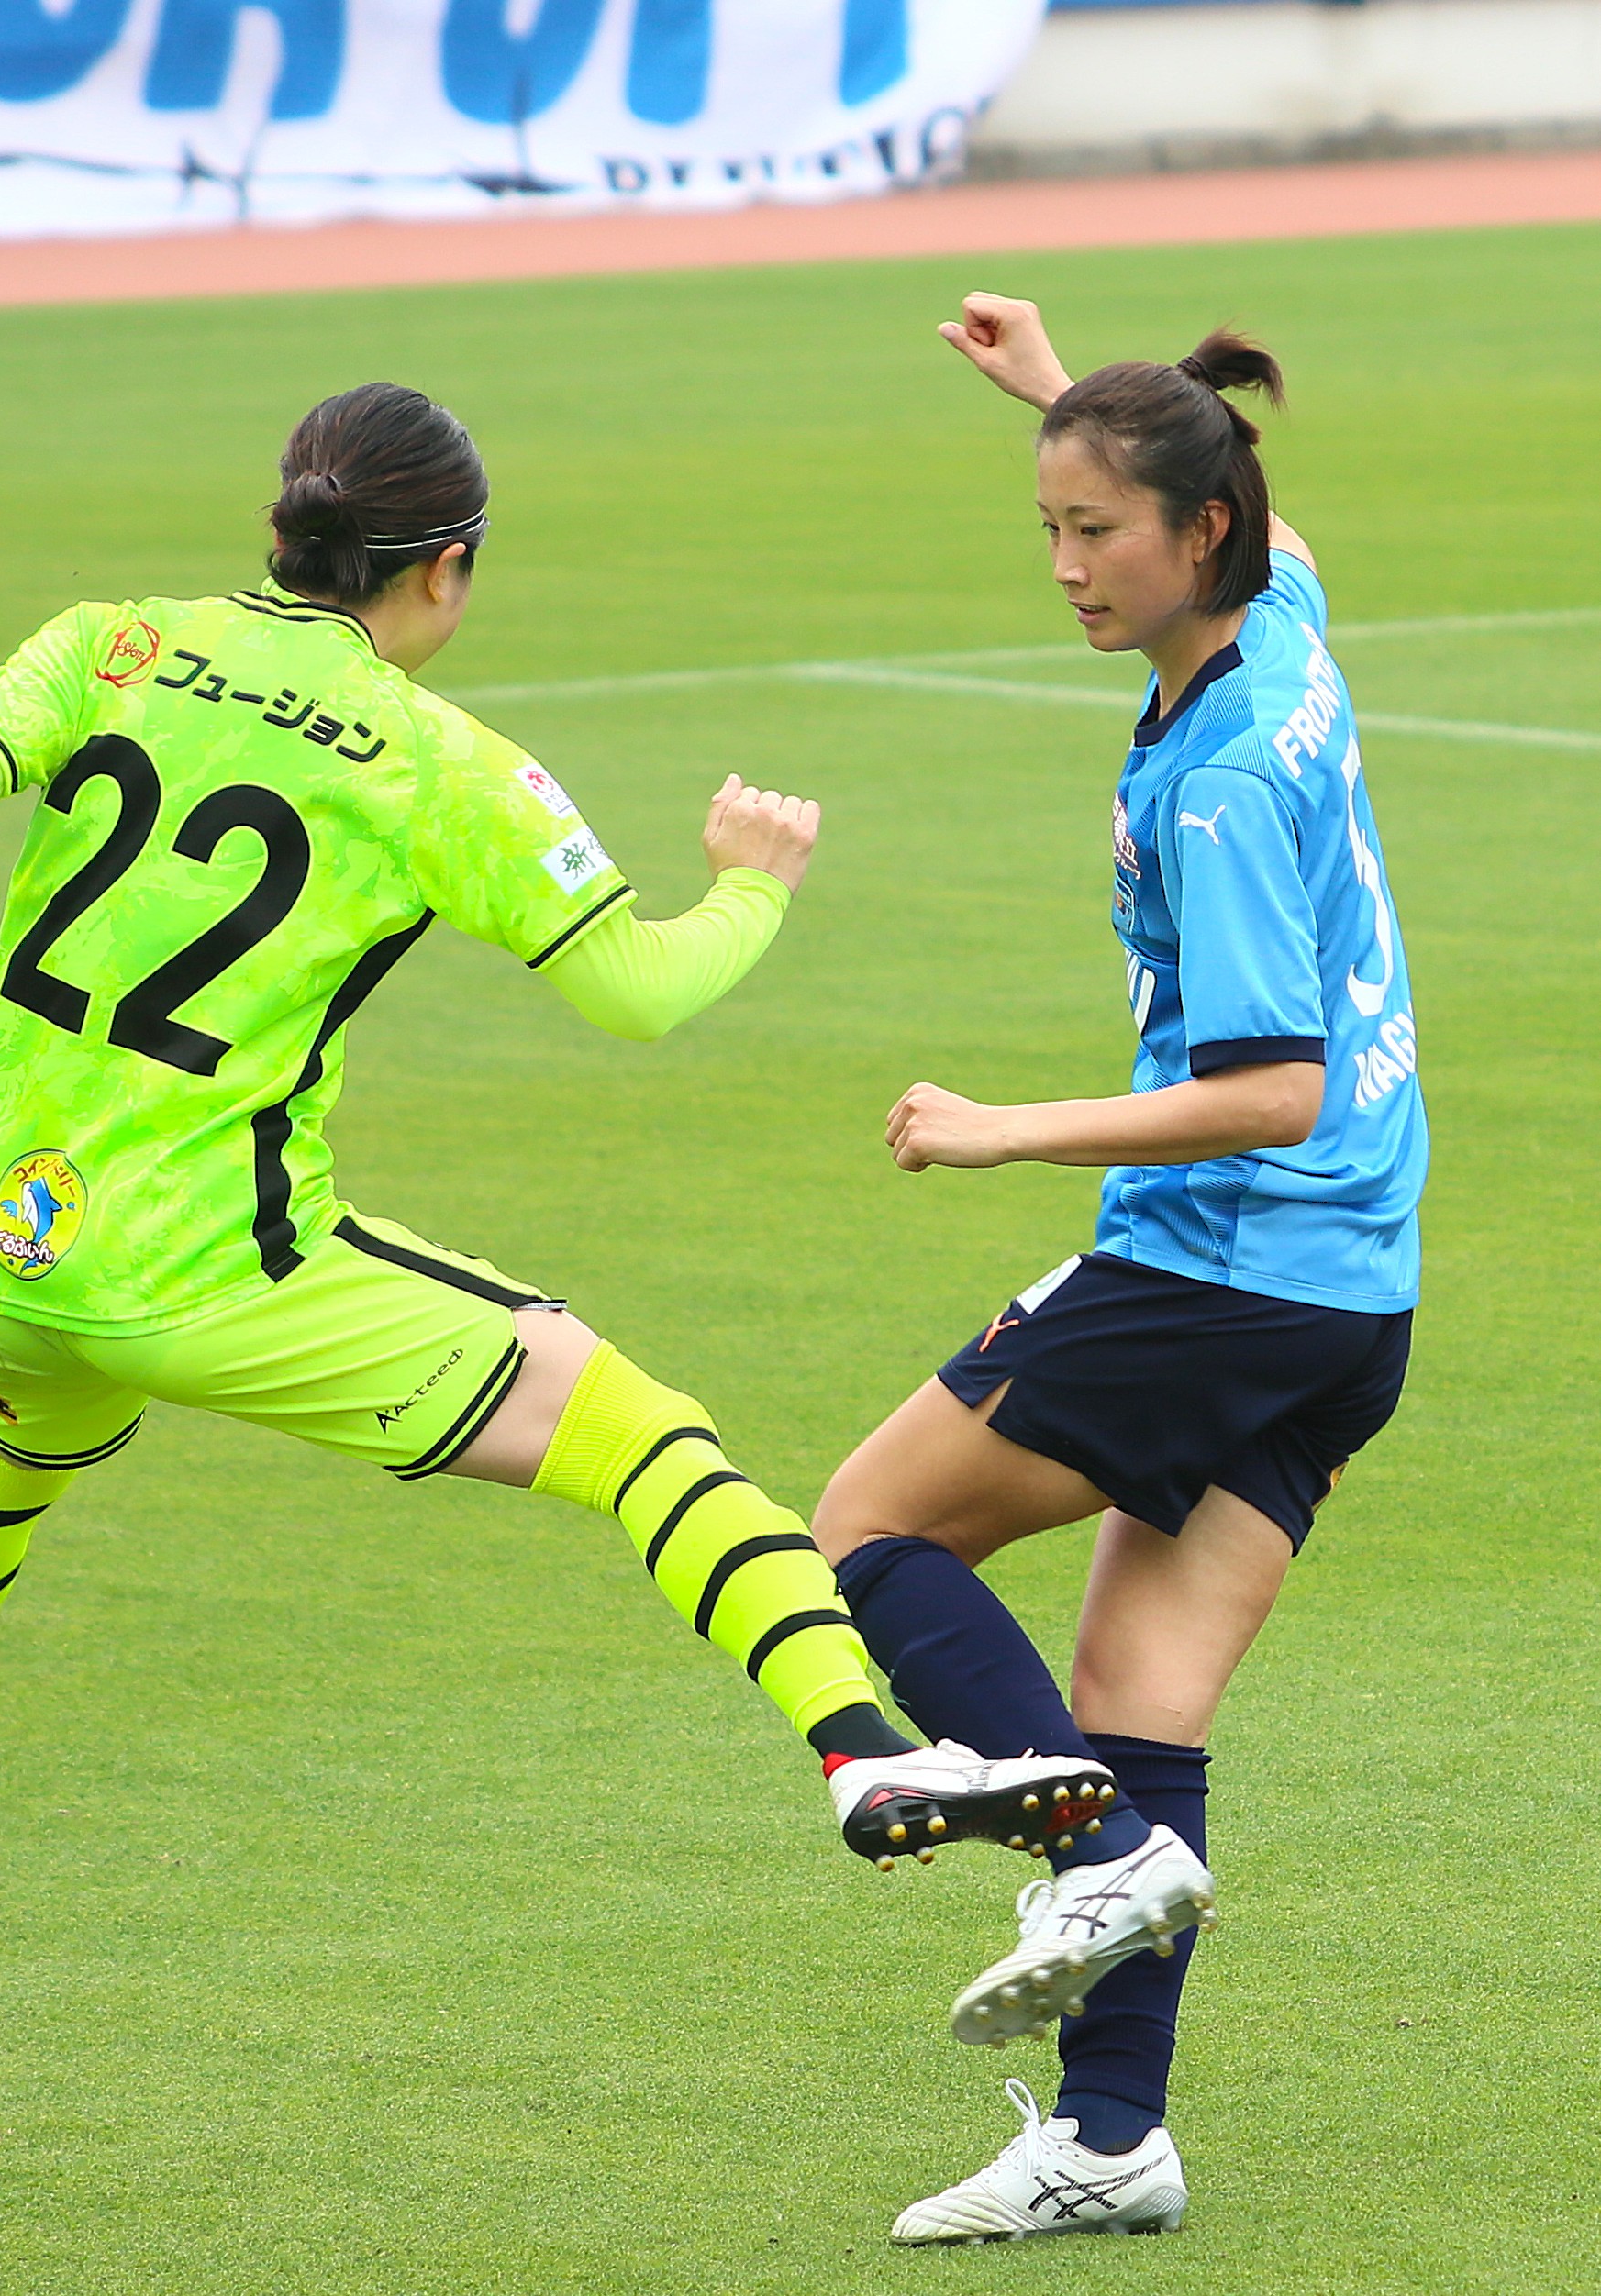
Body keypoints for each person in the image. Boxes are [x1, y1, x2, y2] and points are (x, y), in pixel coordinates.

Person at [0, 381, 1112, 1875]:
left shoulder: (114, 643)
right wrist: (753, 877)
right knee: (643, 1436)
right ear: (447, 568)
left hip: (15, 1238)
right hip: (227, 1272)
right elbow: (641, 991)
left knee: (4, 1460)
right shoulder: (447, 767)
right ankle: (865, 1753)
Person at [809, 300, 1427, 2244]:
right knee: (1133, 1686)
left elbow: (1265, 1086)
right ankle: (1106, 2136)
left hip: (1223, 1260)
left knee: (866, 1528)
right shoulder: (1283, 627)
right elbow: (1287, 536)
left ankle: (1091, 1843)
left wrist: (1004, 1129)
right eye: (1050, 526)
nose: (1068, 567)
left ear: (1198, 534)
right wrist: (1060, 379)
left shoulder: (1217, 774)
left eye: (1098, 530)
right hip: (1351, 1297)